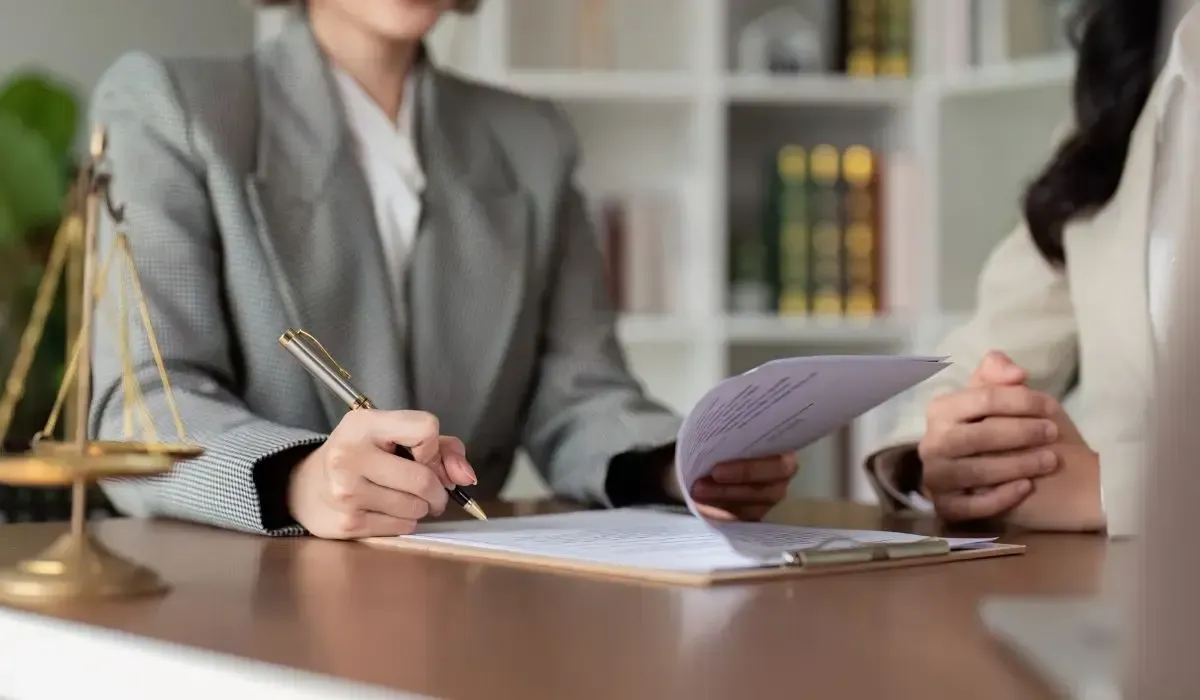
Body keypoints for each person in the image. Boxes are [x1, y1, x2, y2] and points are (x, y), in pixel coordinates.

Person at [87, 0, 797, 539]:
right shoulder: (172, 105)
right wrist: (299, 480)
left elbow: (578, 393)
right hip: (249, 588)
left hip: (469, 580)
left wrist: (669, 463)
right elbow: (143, 402)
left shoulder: (532, 139)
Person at [864, 0, 1184, 536]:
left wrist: (1113, 488)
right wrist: (950, 456)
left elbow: (1105, 488)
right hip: (1106, 594)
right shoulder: (1126, 91)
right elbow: (994, 345)